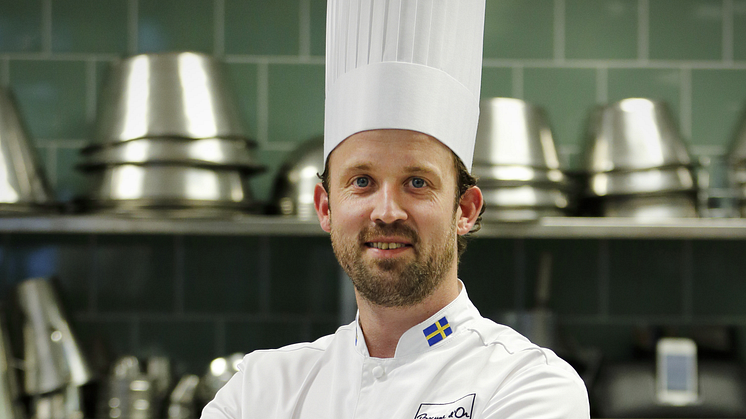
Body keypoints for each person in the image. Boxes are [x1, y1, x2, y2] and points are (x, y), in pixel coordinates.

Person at [201, 0, 590, 418]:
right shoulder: (262, 387)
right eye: (362, 182)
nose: (387, 212)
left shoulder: (531, 385)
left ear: (466, 209)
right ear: (325, 207)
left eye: (417, 182)